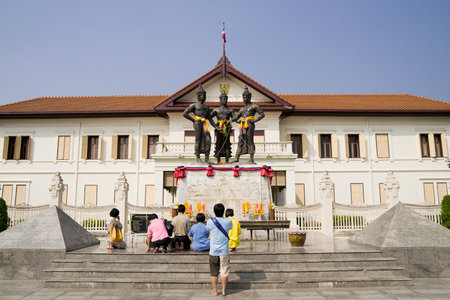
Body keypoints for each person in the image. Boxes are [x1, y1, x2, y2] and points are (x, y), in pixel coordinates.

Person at [183, 84, 216, 164]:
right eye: (203, 95)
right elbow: (185, 113)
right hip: (197, 123)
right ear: (199, 96)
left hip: (205, 123)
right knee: (198, 140)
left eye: (205, 95)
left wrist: (215, 126)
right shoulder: (194, 105)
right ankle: (198, 157)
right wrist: (193, 120)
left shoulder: (206, 108)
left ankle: (207, 158)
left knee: (208, 140)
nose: (204, 97)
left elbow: (210, 118)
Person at [231, 86, 265, 164]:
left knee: (250, 140)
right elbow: (237, 116)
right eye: (243, 97)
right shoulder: (242, 109)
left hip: (249, 124)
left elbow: (262, 114)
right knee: (240, 140)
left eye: (245, 97)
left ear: (249, 97)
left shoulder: (254, 106)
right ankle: (237, 158)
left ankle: (251, 158)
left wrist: (255, 120)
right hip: (243, 125)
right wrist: (232, 120)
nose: (244, 98)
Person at [206, 203, 233, 296]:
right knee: (224, 271)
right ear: (223, 212)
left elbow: (207, 230)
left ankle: (215, 291)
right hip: (224, 251)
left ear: (214, 212)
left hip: (213, 251)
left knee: (214, 272)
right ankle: (224, 290)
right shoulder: (228, 221)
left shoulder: (210, 222)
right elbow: (230, 228)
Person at [211, 91, 234, 164]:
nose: (224, 100)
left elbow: (235, 118)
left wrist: (231, 122)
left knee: (227, 143)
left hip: (227, 127)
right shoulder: (216, 110)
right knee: (218, 142)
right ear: (220, 100)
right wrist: (215, 125)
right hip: (219, 128)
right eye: (223, 99)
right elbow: (209, 117)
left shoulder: (230, 110)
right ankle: (218, 160)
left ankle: (227, 160)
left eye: (225, 99)